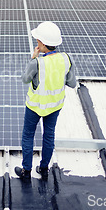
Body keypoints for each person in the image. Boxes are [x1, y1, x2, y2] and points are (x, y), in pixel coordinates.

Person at [15, 21, 77, 181]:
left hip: (35, 107)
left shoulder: (37, 63)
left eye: (37, 40)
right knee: (49, 135)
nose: (37, 42)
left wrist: (32, 58)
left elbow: (24, 79)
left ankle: (26, 171)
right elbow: (72, 83)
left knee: (28, 135)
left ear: (42, 43)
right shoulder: (66, 59)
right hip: (55, 106)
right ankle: (44, 168)